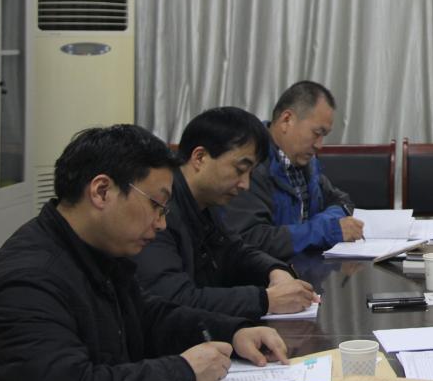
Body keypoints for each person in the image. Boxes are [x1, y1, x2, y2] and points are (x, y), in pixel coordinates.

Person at [0, 125, 288, 381]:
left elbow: (148, 317)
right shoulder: (28, 283)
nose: (162, 224)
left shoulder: (98, 250)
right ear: (102, 191)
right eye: (156, 205)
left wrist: (233, 333)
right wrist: (183, 372)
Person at [134, 107, 319, 318]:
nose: (245, 185)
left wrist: (275, 271)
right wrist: (265, 300)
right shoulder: (159, 210)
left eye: (250, 173)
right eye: (240, 170)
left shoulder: (206, 204)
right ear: (200, 157)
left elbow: (235, 252)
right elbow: (173, 298)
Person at [222, 81, 364, 259]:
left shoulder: (307, 163)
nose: (319, 145)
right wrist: (325, 230)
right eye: (317, 133)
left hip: (306, 268)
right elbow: (251, 239)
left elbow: (342, 202)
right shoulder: (250, 164)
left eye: (324, 136)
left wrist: (322, 225)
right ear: (286, 120)